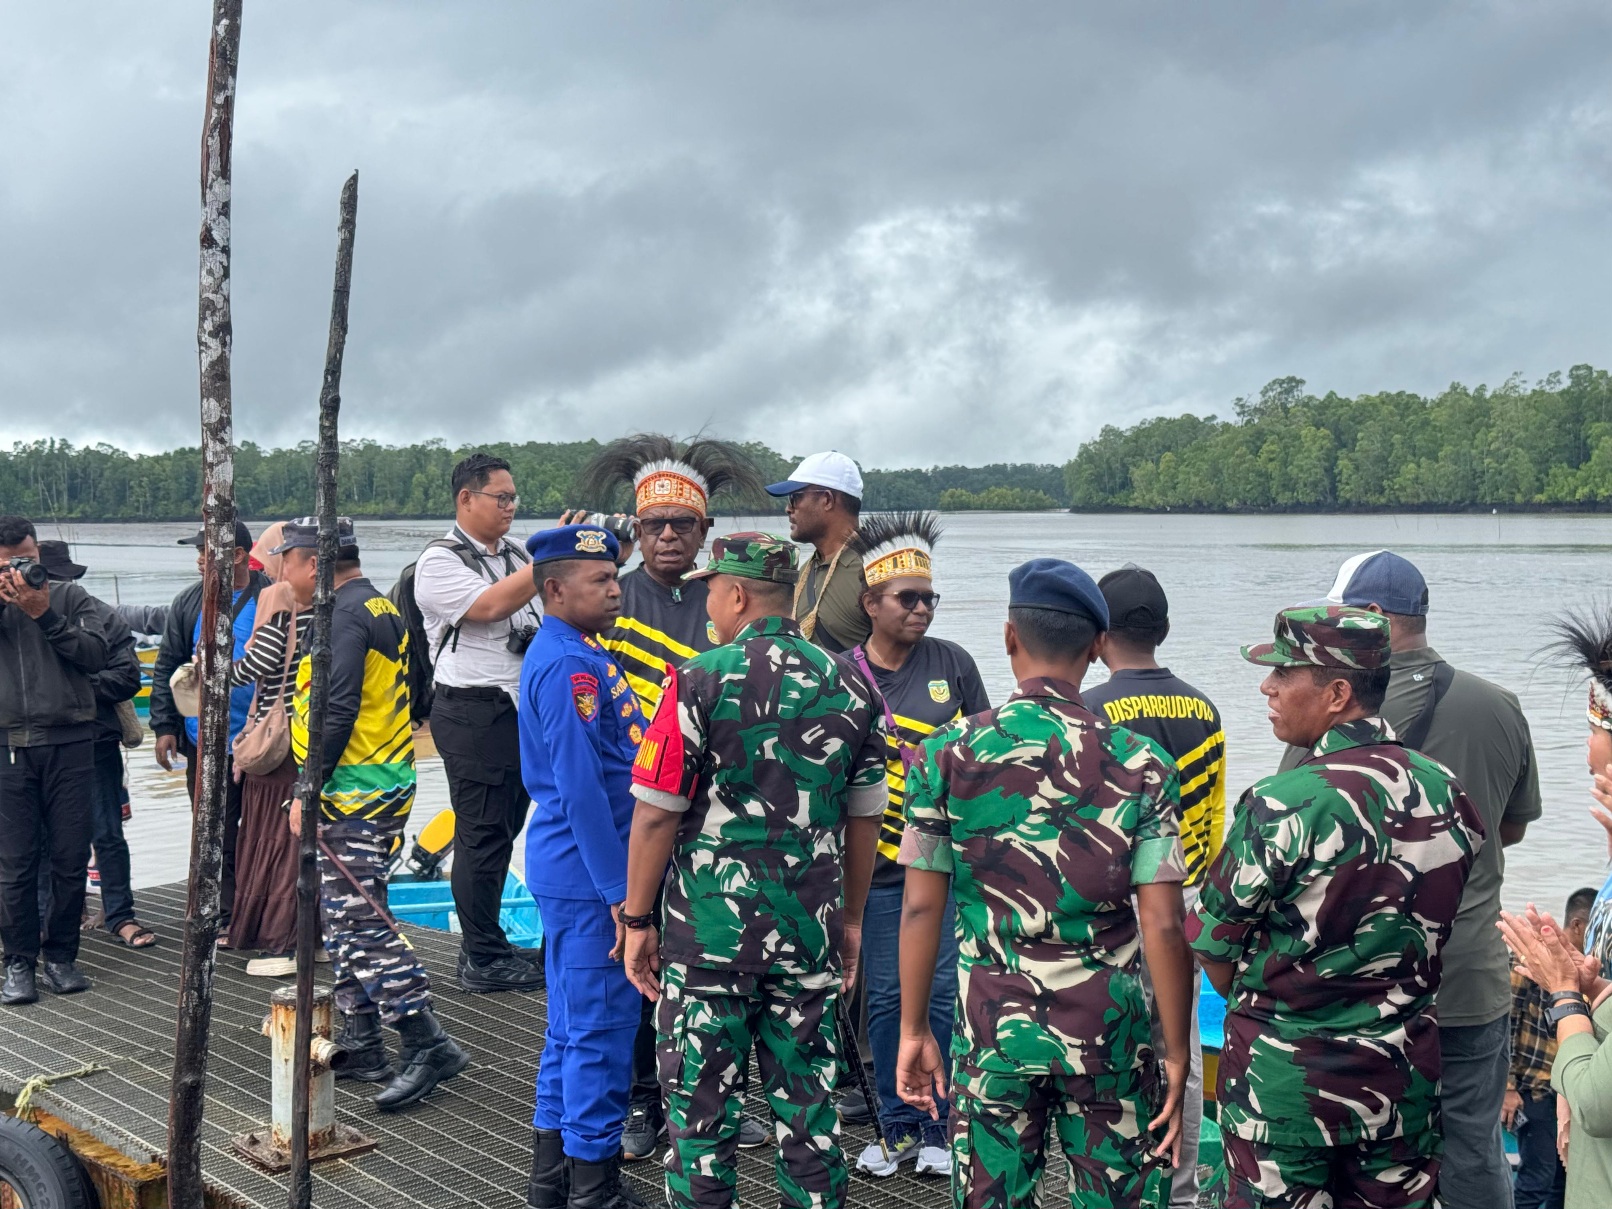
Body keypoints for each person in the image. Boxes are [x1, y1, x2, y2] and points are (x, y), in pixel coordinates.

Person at [895, 557, 1193, 1209]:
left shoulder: (945, 755)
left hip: (993, 1031)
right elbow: (1165, 924)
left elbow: (920, 908)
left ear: (1009, 638)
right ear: (1096, 647)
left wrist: (914, 1029)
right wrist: (1175, 1051)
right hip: (1112, 1035)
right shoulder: (1142, 764)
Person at [622, 533, 888, 1209]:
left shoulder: (696, 678)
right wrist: (851, 919)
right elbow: (866, 820)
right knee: (810, 1119)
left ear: (736, 594)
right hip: (809, 938)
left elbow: (655, 815)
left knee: (702, 1121)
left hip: (707, 939)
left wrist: (635, 918)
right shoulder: (854, 684)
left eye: (712, 588)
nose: (707, 600)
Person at [1191, 604, 1485, 1209]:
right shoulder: (1447, 790)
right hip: (1400, 1090)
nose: (1266, 686)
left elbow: (1212, 946)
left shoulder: (1283, 802)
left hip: (1284, 1099)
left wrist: (1279, 1003)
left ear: (1337, 692)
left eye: (1283, 673)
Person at [1283, 550, 1540, 1208]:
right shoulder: (1501, 705)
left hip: (1353, 989)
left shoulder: (1324, 709)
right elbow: (1506, 830)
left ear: (1368, 619)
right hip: (1466, 979)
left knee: (1355, 1159)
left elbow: (1287, 844)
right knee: (1474, 1150)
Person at [574, 434, 770, 1162]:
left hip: (717, 819)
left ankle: (722, 1094)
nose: (665, 536)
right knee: (635, 955)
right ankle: (638, 1100)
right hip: (640, 814)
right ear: (634, 527)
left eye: (680, 525)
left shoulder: (726, 605)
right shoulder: (610, 601)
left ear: (705, 534)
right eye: (652, 524)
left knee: (725, 961)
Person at [279, 518, 468, 1111]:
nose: (281, 572)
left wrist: (305, 790)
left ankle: (426, 1040)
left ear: (313, 563)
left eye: (286, 559)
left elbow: (336, 711)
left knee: (360, 923)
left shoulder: (341, 617)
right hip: (383, 783)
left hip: (351, 794)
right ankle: (363, 1039)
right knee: (343, 919)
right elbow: (415, 695)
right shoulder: (383, 608)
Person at [840, 511, 987, 1179]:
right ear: (870, 602)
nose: (922, 608)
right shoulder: (842, 673)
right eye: (908, 598)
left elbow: (988, 757)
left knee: (938, 997)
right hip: (875, 872)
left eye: (931, 597)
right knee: (883, 997)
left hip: (941, 865)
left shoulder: (953, 664)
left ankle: (940, 1125)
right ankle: (898, 1126)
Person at [1082, 564, 1224, 1209]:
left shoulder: (1090, 709)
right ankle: (1184, 1188)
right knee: (1181, 1046)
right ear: (1163, 629)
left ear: (1099, 632)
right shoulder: (1204, 709)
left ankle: (1122, 1179)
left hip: (1114, 905)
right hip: (1188, 898)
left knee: (1112, 1046)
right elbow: (1213, 822)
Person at [518, 523, 646, 1209]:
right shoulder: (567, 665)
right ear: (555, 589)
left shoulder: (581, 652)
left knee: (570, 1029)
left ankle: (552, 1182)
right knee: (598, 1034)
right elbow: (582, 788)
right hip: (588, 872)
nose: (615, 589)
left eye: (615, 577)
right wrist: (622, 895)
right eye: (601, 580)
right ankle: (595, 1191)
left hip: (575, 870)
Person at [412, 452, 546, 992]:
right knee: (481, 834)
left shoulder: (514, 553)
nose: (511, 507)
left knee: (505, 829)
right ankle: (482, 959)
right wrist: (551, 562)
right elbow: (488, 608)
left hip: (516, 709)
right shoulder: (439, 561)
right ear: (466, 499)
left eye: (514, 498)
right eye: (502, 497)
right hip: (471, 710)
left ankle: (487, 942)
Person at [0, 516, 109, 1005]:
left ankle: (61, 956)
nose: (19, 571)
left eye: (26, 559)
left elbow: (96, 656)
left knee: (69, 859)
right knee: (15, 864)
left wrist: (43, 613)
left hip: (70, 742)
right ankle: (18, 963)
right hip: (7, 746)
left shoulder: (69, 597)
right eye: (7, 563)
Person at [149, 518, 270, 936]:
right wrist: (164, 726)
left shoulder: (269, 596)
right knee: (211, 828)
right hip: (203, 740)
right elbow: (168, 665)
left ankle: (255, 911)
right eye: (197, 551)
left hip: (259, 742)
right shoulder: (189, 602)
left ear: (238, 555)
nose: (200, 559)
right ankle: (221, 911)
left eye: (207, 550)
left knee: (260, 829)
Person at [37, 541, 151, 950]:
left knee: (106, 833)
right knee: (37, 839)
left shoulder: (102, 615)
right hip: (33, 746)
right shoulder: (14, 618)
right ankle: (45, 921)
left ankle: (120, 914)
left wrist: (71, 690)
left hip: (93, 739)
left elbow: (127, 676)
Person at [225, 561, 310, 975]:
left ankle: (278, 940)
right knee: (299, 843)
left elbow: (257, 665)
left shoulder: (278, 596)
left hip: (277, 744)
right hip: (308, 736)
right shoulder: (325, 604)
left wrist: (212, 668)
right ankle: (309, 937)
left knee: (271, 841)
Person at [1498, 904, 1612, 1209]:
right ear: (1576, 925)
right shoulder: (1523, 969)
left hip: (1566, 1080)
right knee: (1538, 1176)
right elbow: (1506, 1026)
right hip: (1535, 1086)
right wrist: (1508, 1088)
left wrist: (1576, 991)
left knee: (1558, 1177)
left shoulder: (1570, 973)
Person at [764, 451, 870, 653]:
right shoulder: (806, 571)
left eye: (794, 497)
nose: (788, 508)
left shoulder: (875, 567)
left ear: (827, 500)